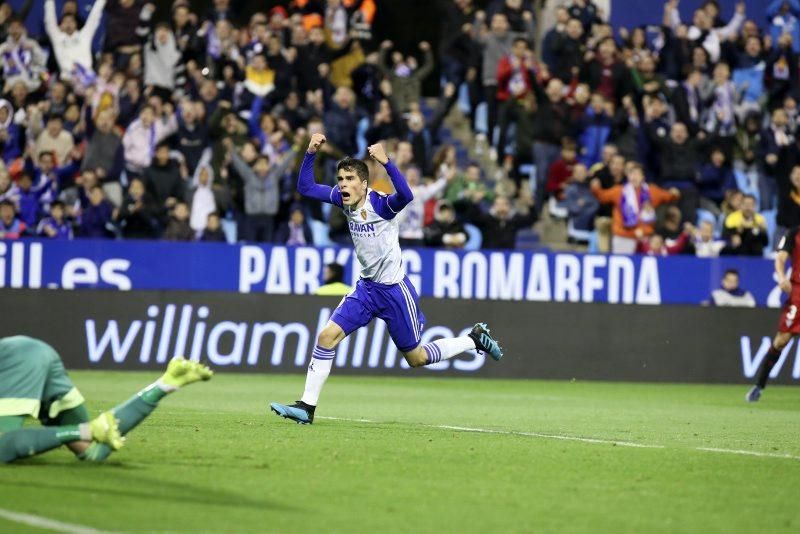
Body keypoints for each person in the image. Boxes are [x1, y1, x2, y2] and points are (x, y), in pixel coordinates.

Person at [270, 134, 504, 424]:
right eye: (340, 178)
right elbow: (305, 187)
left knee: (416, 358)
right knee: (326, 336)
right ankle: (307, 407)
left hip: (394, 291)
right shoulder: (341, 200)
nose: (342, 184)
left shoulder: (380, 205)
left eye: (349, 179)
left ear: (364, 184)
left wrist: (387, 163)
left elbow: (406, 196)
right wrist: (309, 152)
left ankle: (473, 339)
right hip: (366, 289)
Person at [0, 335, 213, 463]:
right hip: (33, 350)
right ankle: (164, 384)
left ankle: (90, 429)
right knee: (92, 450)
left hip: (13, 359)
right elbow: (95, 451)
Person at [746, 227, 800, 401]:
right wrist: (782, 277)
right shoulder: (794, 233)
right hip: (797, 292)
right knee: (782, 339)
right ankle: (759, 385)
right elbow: (781, 258)